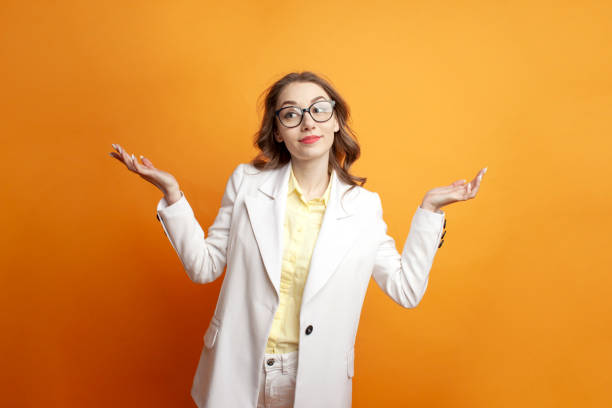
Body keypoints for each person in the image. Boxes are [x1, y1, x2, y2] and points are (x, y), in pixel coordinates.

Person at [108, 71, 486, 408]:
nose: (308, 122)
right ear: (277, 131)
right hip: (238, 371)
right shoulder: (246, 184)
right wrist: (173, 195)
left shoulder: (364, 208)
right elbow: (204, 267)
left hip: (315, 380)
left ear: (336, 120)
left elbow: (406, 290)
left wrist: (430, 211)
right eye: (291, 113)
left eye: (319, 109)